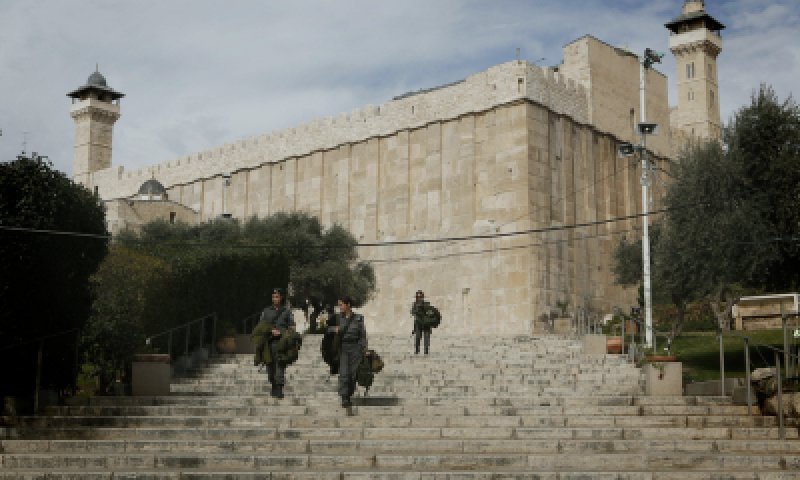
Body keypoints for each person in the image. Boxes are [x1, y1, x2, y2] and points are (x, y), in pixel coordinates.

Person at [255, 287, 295, 399]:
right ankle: (273, 385)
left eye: (277, 297)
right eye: (273, 297)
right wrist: (270, 330)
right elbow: (260, 327)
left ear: (281, 298)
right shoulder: (266, 311)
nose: (275, 299)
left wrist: (282, 332)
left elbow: (292, 327)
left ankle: (279, 388)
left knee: (280, 367)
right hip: (268, 344)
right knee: (270, 370)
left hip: (281, 344)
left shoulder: (287, 312)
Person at [328, 296, 367, 408]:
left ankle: (349, 394)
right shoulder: (337, 318)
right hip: (343, 347)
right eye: (339, 305)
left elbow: (362, 335)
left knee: (353, 374)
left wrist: (363, 348)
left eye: (341, 304)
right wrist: (334, 329)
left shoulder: (358, 318)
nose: (340, 307)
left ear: (348, 304)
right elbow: (327, 329)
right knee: (344, 373)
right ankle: (344, 397)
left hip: (355, 348)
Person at [411, 290, 434, 355]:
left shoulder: (427, 304)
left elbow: (431, 312)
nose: (419, 298)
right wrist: (418, 309)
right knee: (418, 337)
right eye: (418, 297)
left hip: (426, 324)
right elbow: (412, 312)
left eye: (420, 297)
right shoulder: (415, 304)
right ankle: (417, 350)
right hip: (418, 323)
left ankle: (426, 351)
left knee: (426, 338)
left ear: (422, 297)